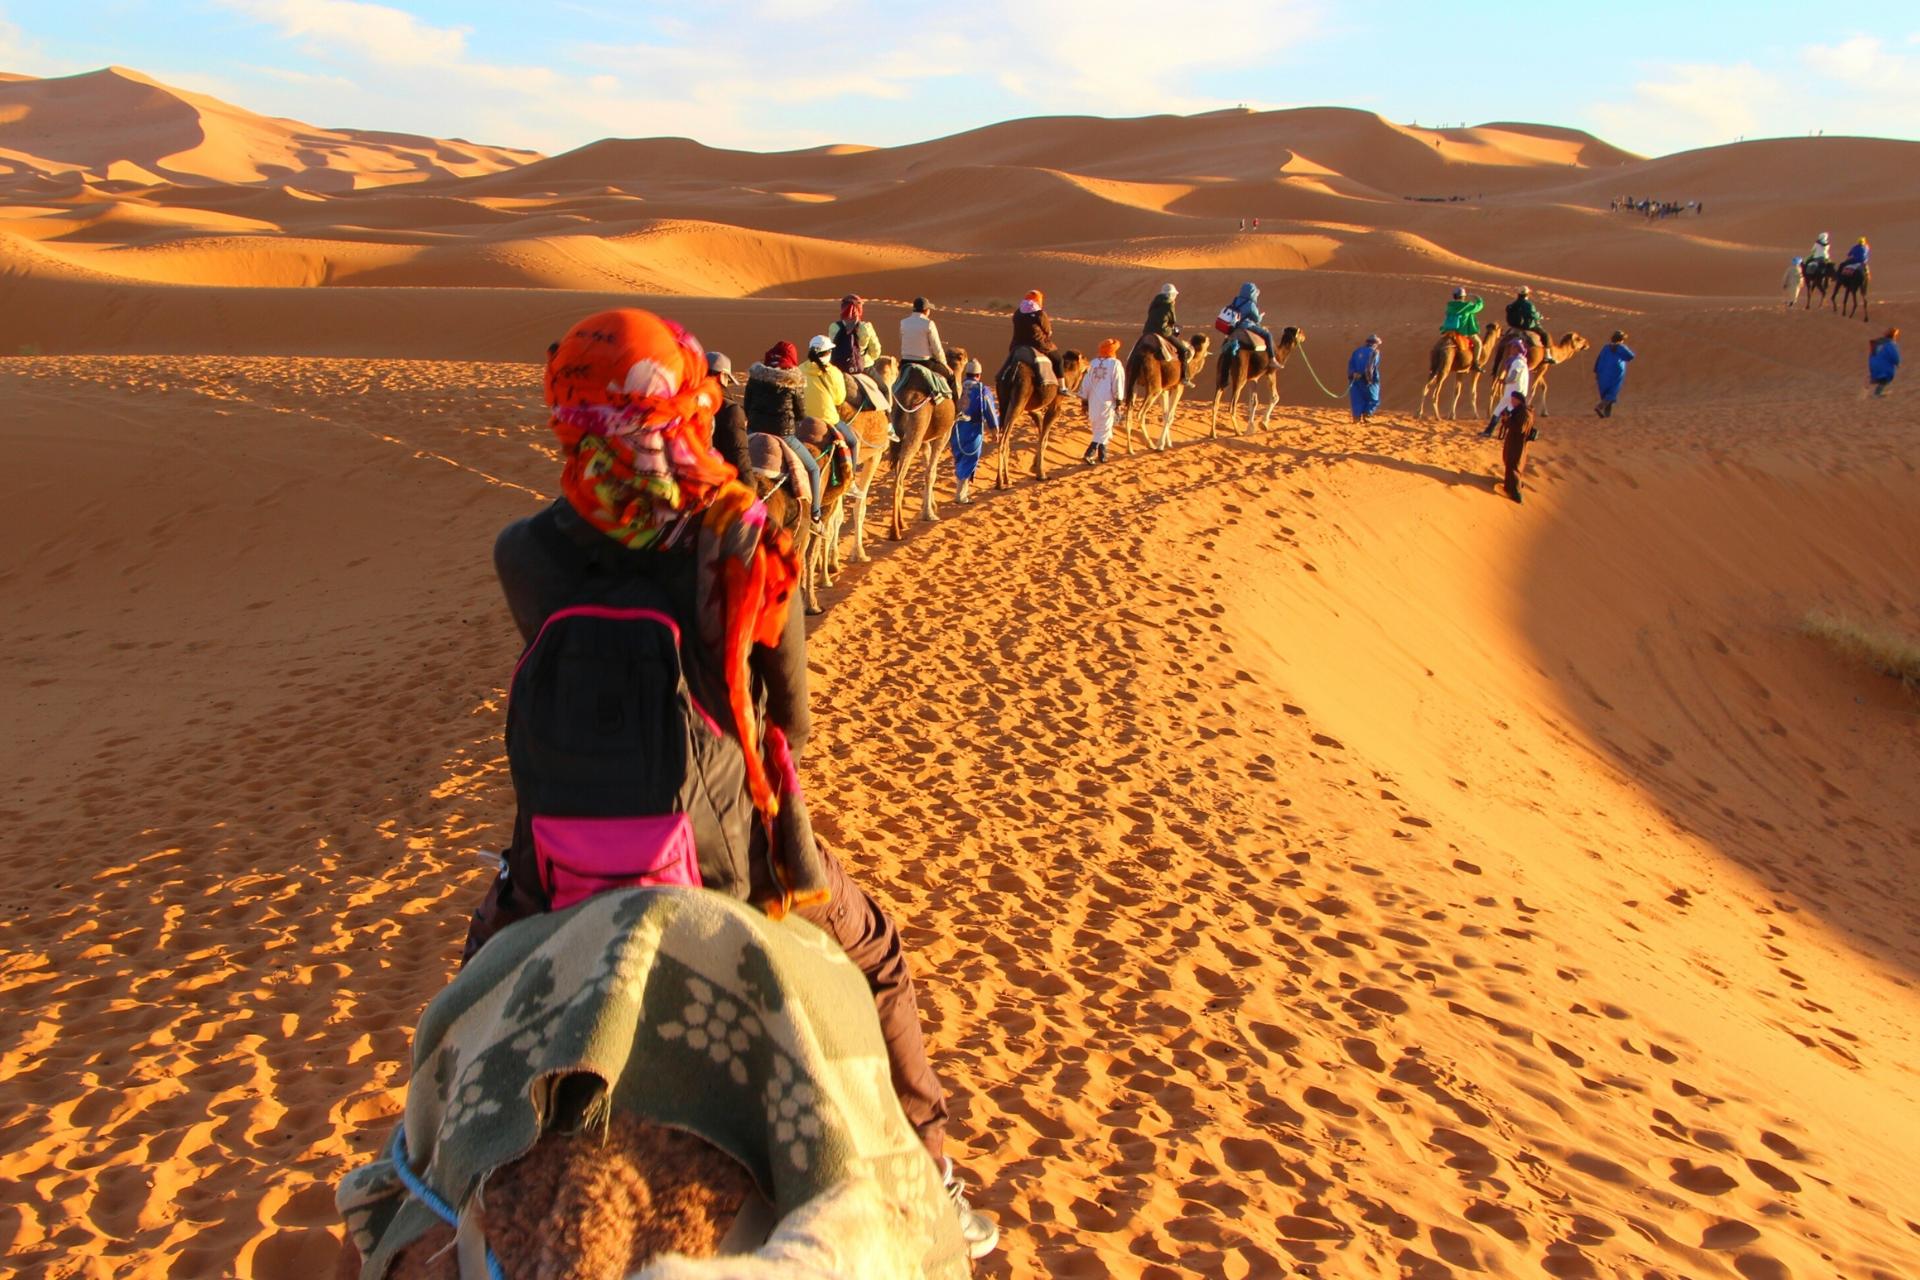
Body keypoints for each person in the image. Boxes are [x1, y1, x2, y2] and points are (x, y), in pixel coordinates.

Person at [477, 309, 996, 1259]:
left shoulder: (524, 551)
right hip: (730, 856)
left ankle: (433, 1173)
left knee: (473, 992)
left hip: (556, 865)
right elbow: (789, 724)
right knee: (878, 957)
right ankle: (935, 1184)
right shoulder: (739, 532)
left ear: (568, 405)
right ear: (686, 398)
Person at [743, 341, 823, 524]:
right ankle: (816, 514)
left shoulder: (755, 377)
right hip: (784, 435)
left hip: (754, 430)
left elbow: (747, 407)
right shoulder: (793, 381)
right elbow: (801, 413)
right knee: (813, 468)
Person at [950, 359, 998, 502]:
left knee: (959, 458)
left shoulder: (957, 386)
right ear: (979, 375)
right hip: (972, 428)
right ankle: (961, 495)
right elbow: (989, 408)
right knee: (969, 459)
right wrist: (994, 428)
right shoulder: (982, 389)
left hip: (955, 429)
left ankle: (962, 492)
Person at [706, 351, 753, 481]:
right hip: (719, 483)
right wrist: (750, 493)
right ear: (721, 376)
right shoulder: (731, 409)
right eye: (728, 380)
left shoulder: (687, 401)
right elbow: (739, 455)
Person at [1079, 338, 1125, 463]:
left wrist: (1084, 402)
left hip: (1093, 401)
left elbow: (1085, 383)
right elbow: (1118, 383)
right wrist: (1119, 401)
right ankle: (1089, 453)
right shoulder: (1115, 364)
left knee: (1100, 429)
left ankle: (1102, 457)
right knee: (1103, 429)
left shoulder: (1092, 363)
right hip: (1107, 401)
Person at [1142, 283, 1193, 386]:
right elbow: (1173, 320)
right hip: (1163, 331)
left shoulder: (1154, 302)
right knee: (1183, 350)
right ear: (1171, 295)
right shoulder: (1169, 304)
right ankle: (1185, 377)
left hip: (1147, 331)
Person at [898, 296, 953, 387]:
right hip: (924, 362)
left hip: (905, 362)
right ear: (926, 311)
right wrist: (945, 364)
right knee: (951, 377)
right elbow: (937, 348)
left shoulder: (903, 322)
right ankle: (956, 401)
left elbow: (903, 339)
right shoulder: (928, 323)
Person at [1009, 289, 1061, 380]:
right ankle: (1062, 387)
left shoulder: (1017, 312)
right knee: (1058, 360)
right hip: (1038, 344)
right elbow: (1047, 330)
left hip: (1017, 344)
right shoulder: (1040, 313)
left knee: (1009, 362)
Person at [1495, 389, 1536, 503]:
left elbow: (1520, 428)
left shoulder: (1525, 413)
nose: (1512, 401)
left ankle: (1516, 493)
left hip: (1518, 444)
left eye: (1514, 399)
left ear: (1519, 400)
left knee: (1514, 465)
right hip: (1514, 442)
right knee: (1510, 463)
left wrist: (1508, 420)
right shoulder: (1518, 411)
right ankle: (1510, 487)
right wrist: (1506, 419)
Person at [827, 294, 882, 377]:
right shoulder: (866, 327)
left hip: (839, 368)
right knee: (884, 389)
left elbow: (830, 349)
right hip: (864, 367)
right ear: (859, 309)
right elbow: (875, 351)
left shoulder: (834, 327)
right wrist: (867, 359)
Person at [1484, 335, 1530, 434]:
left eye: (1513, 347)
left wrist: (1504, 380)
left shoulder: (1517, 362)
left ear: (1518, 349)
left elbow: (1514, 378)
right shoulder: (1522, 362)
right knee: (1509, 411)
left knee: (1499, 410)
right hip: (1519, 393)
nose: (1511, 349)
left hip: (1513, 393)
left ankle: (1489, 431)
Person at [1221, 282, 1276, 358]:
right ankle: (1272, 359)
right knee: (1268, 335)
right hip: (1247, 326)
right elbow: (1257, 320)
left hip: (1234, 326)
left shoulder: (1235, 300)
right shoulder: (1251, 304)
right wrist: (1261, 316)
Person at [1505, 286, 1553, 361]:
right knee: (1545, 335)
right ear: (1528, 294)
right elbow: (1533, 314)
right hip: (1528, 326)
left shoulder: (1513, 304)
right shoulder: (1528, 305)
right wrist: (1540, 316)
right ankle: (1547, 356)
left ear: (1518, 294)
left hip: (1515, 326)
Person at [1593, 331, 1634, 418]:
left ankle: (1607, 415)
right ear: (1622, 340)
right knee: (1612, 392)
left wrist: (1596, 371)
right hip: (1616, 372)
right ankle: (1600, 407)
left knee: (1605, 393)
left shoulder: (1606, 347)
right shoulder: (1621, 347)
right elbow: (1631, 356)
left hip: (1602, 372)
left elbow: (1598, 359)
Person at [1346, 334, 1382, 422]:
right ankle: (1367, 414)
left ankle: (1357, 418)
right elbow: (1370, 367)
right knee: (1374, 399)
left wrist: (1353, 373)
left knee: (1357, 399)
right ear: (1375, 343)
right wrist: (1368, 379)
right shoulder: (1374, 352)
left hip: (1355, 379)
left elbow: (1351, 364)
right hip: (1367, 379)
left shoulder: (1357, 351)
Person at [1868, 328, 1901, 397]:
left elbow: (1872, 354)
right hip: (1884, 366)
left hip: (1874, 365)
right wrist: (1898, 362)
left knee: (1880, 377)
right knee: (1885, 379)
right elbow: (1893, 354)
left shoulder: (1877, 342)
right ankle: (1876, 393)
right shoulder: (1890, 344)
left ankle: (1871, 380)